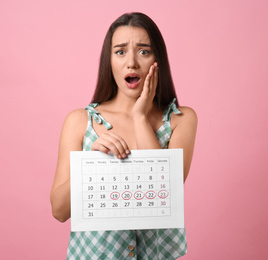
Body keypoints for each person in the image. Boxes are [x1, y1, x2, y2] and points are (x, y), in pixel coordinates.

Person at [50, 12, 197, 260]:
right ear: (109, 62)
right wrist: (92, 164)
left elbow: (166, 194)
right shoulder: (79, 121)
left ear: (157, 59)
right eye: (120, 52)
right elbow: (60, 211)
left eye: (143, 51)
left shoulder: (181, 119)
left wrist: (140, 116)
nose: (131, 63)